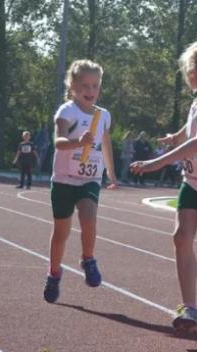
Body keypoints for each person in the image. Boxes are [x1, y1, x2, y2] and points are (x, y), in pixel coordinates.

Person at [130, 39, 197, 334]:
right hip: (193, 183)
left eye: (188, 70)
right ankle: (189, 307)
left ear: (196, 71)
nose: (186, 75)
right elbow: (192, 128)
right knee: (181, 238)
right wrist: (176, 137)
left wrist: (158, 162)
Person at [43, 59, 118, 304]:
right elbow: (59, 142)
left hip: (90, 179)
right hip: (65, 180)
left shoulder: (103, 116)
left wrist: (111, 173)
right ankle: (54, 273)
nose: (90, 91)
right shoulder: (67, 112)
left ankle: (88, 259)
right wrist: (79, 143)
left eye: (95, 86)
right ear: (73, 86)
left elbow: (105, 144)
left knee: (89, 218)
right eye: (85, 85)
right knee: (60, 233)